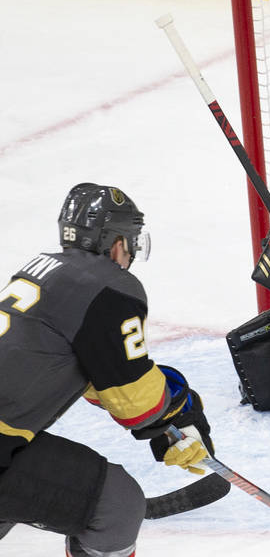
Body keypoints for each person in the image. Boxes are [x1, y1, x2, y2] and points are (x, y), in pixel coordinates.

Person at [0, 184, 213, 557]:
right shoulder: (112, 287)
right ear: (116, 242)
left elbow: (80, 369)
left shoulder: (40, 270)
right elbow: (138, 406)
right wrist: (179, 404)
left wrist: (163, 421)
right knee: (116, 506)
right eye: (129, 243)